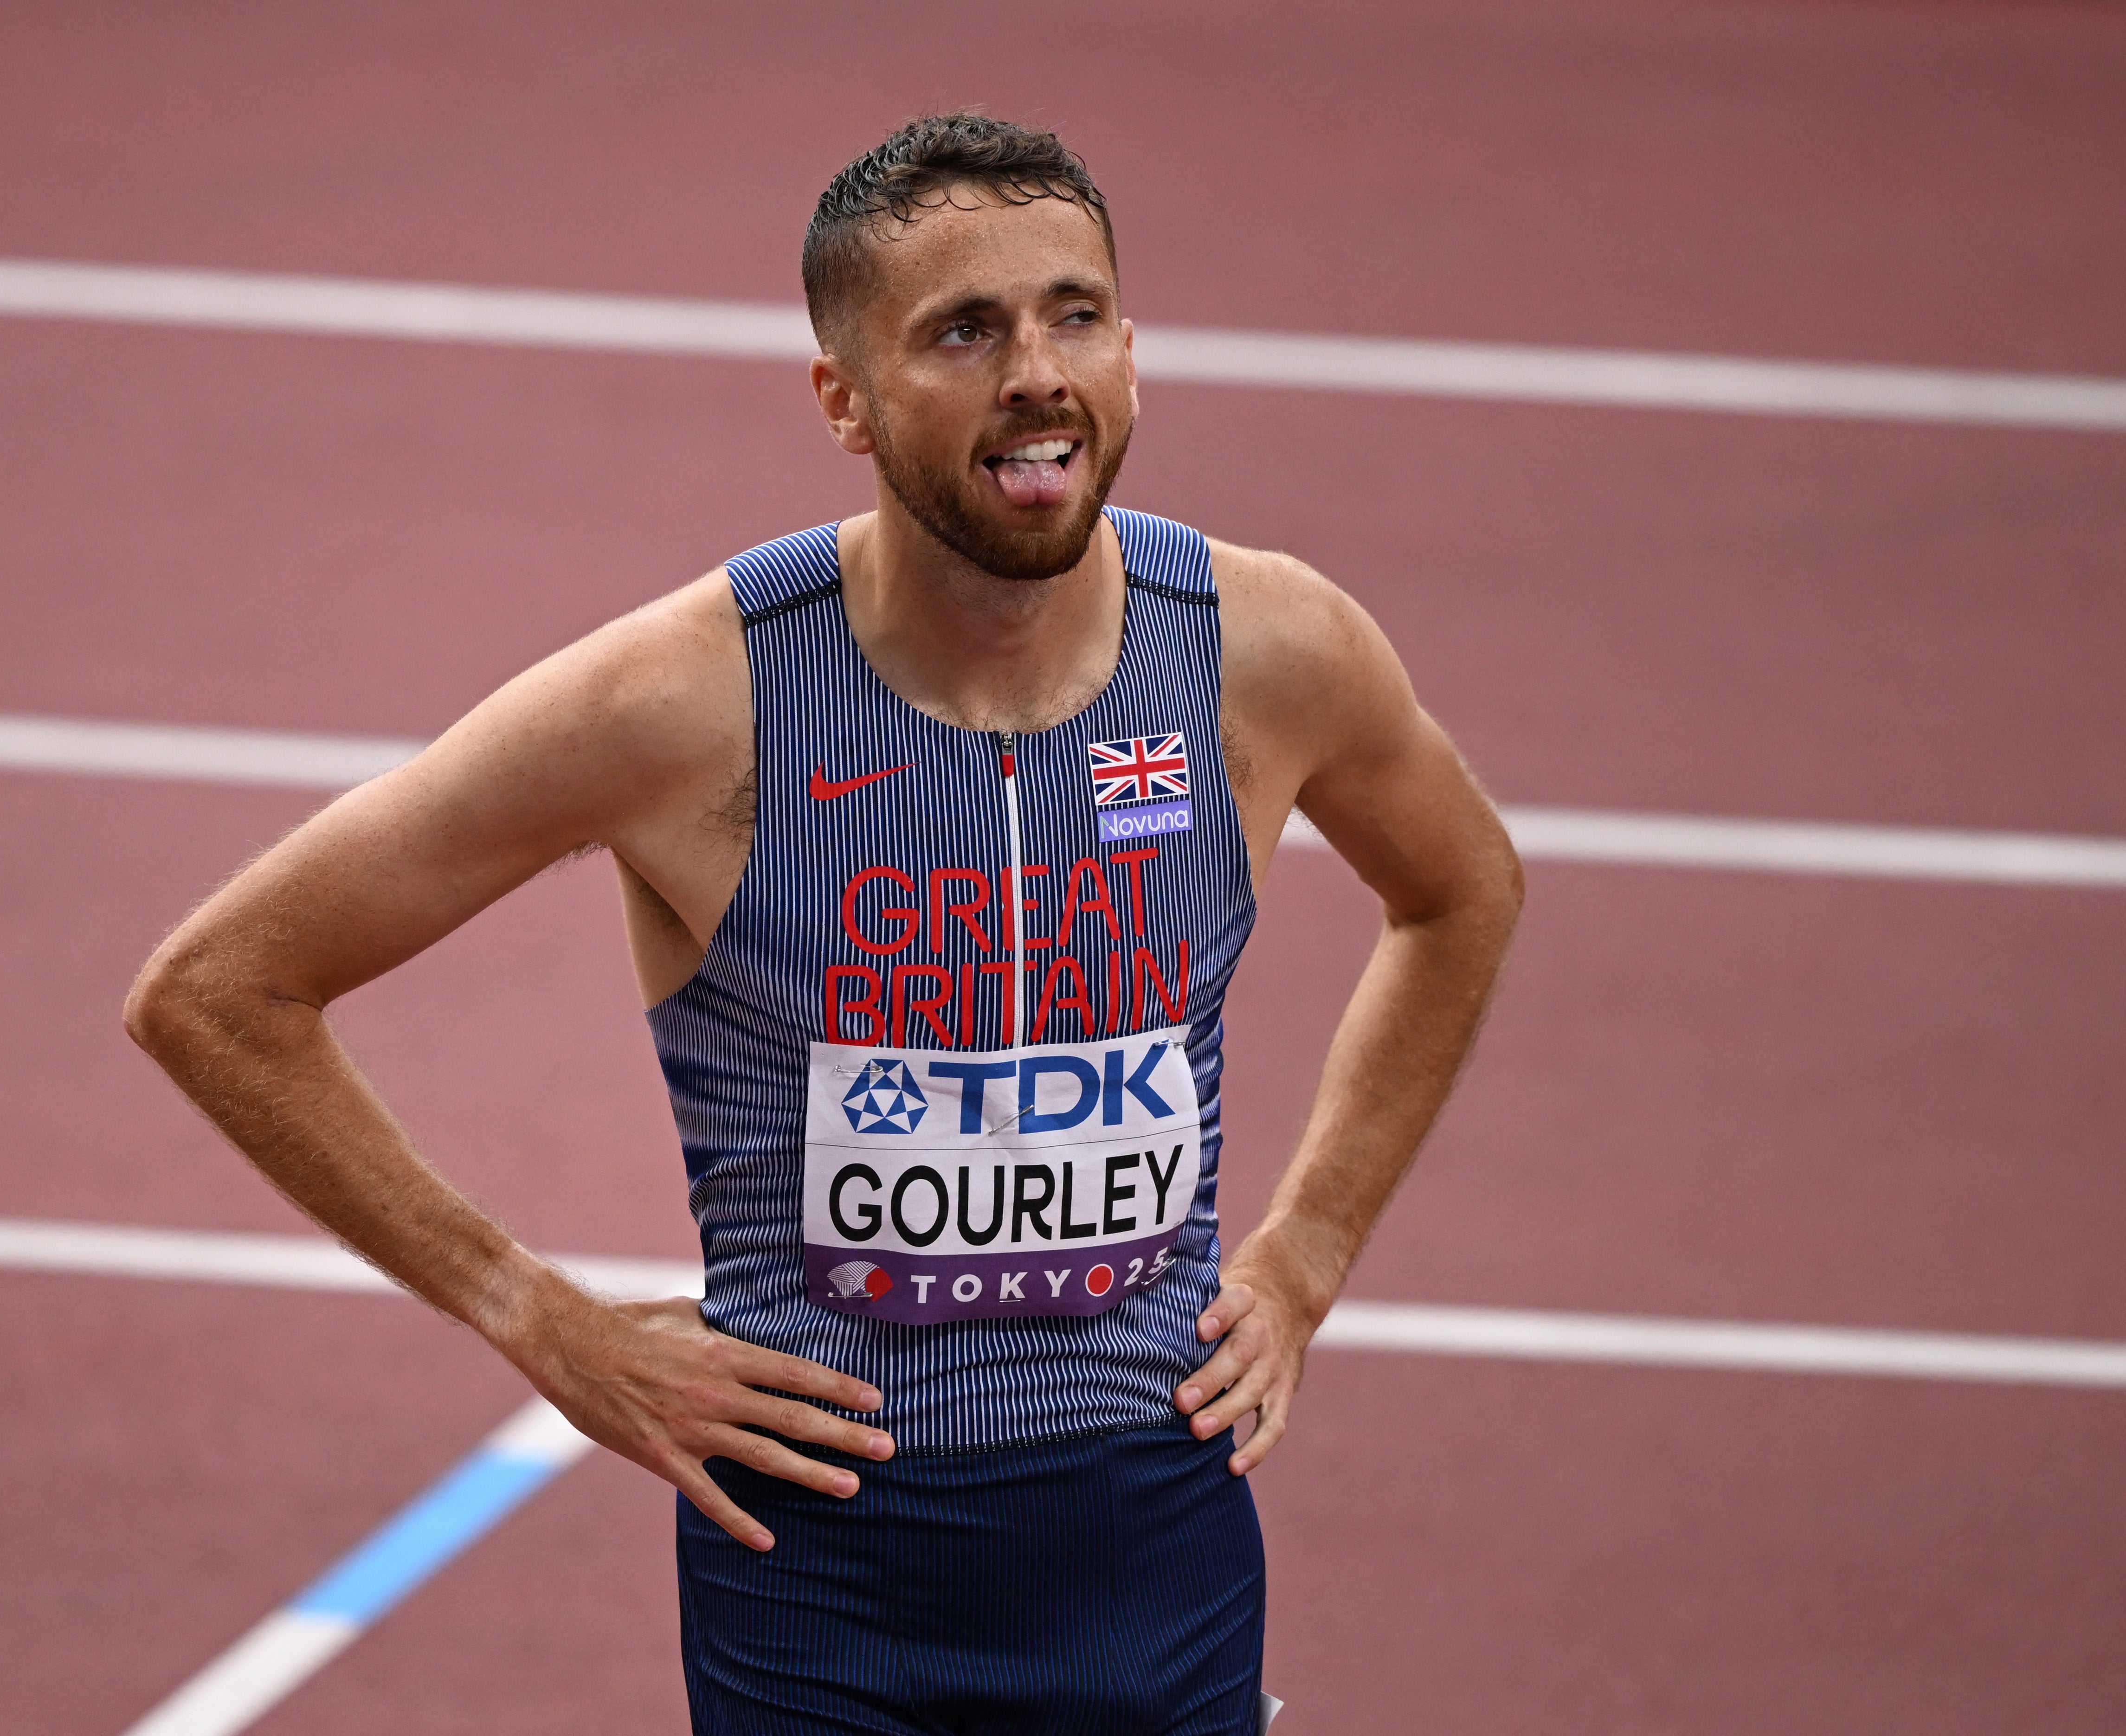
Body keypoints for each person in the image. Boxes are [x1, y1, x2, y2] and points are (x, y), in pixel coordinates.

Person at [126, 113, 1521, 1736]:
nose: (1038, 373)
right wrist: (532, 1314)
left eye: (1076, 314)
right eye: (964, 331)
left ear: (1133, 350)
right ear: (842, 400)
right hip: (819, 1567)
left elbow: (1460, 887)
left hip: (1155, 1529)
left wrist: (1308, 1256)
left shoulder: (1263, 654)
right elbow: (220, 989)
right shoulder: (687, 701)